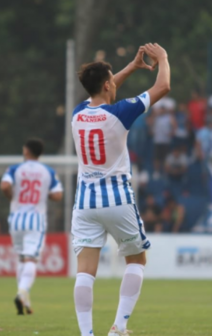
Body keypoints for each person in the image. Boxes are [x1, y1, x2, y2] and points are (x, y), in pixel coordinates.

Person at [71, 43, 170, 336]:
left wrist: (131, 67)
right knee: (137, 260)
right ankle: (119, 327)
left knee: (85, 272)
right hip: (117, 199)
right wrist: (162, 58)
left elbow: (102, 92)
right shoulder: (120, 113)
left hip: (85, 203)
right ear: (106, 84)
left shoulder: (77, 114)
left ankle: (87, 334)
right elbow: (163, 86)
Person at [0, 138, 63, 315]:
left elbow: (5, 185)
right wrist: (44, 195)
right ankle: (22, 292)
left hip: (16, 218)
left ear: (26, 151)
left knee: (21, 258)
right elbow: (58, 195)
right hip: (35, 219)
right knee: (31, 259)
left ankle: (24, 297)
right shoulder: (48, 171)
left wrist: (12, 196)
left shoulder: (15, 169)